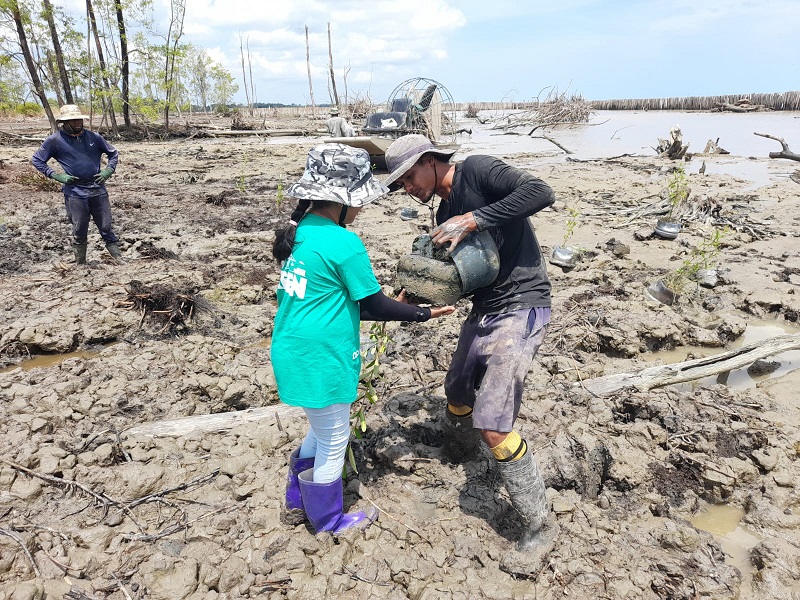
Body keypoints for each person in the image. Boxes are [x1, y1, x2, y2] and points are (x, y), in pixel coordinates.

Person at [383, 133, 558, 574]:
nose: (408, 189)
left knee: (493, 421)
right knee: (457, 390)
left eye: (408, 178)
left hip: (522, 305)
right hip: (486, 307)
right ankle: (459, 452)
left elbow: (541, 191)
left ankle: (540, 523)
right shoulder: (443, 212)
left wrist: (474, 219)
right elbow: (461, 276)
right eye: (401, 185)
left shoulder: (478, 171)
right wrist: (412, 294)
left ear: (429, 161)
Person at [271, 143, 454, 535]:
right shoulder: (343, 242)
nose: (360, 209)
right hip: (323, 356)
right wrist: (423, 312)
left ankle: (294, 502)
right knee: (336, 439)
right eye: (358, 201)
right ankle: (328, 520)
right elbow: (373, 305)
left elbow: (352, 304)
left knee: (319, 430)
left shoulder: (300, 233)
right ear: (339, 201)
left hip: (291, 350)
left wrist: (396, 305)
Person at [31, 104, 122, 265]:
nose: (77, 123)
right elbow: (37, 160)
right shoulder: (55, 140)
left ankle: (118, 258)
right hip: (75, 192)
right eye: (72, 120)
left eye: (78, 119)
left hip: (98, 189)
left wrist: (108, 171)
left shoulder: (94, 137)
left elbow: (113, 153)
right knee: (79, 229)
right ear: (64, 123)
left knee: (106, 226)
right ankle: (81, 263)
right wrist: (56, 175)